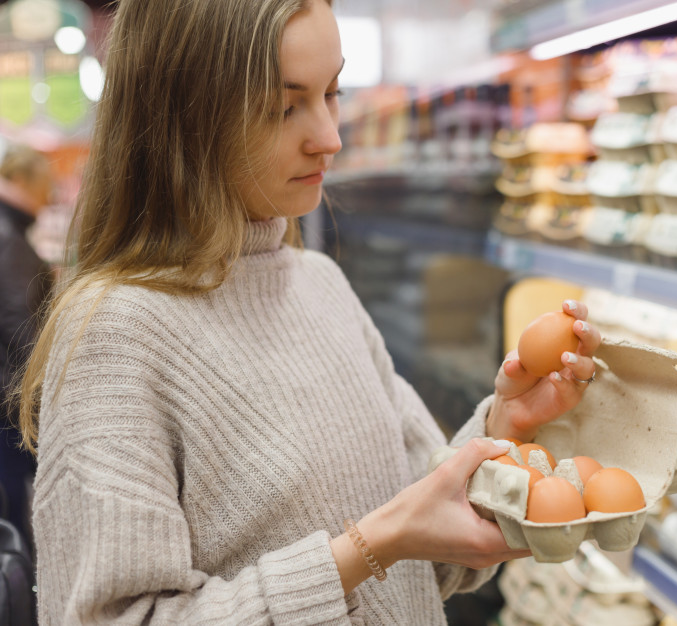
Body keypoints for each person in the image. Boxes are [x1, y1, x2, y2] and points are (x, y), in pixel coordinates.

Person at [15, 0, 601, 624]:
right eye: (283, 106)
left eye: (333, 92)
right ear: (184, 115)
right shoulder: (117, 334)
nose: (329, 137)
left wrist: (504, 429)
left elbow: (427, 559)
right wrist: (366, 549)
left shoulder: (320, 285)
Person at [0, 143, 53, 544]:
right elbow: (20, 324)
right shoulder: (9, 236)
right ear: (20, 182)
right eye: (43, 186)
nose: (47, 197)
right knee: (15, 498)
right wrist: (37, 397)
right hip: (9, 395)